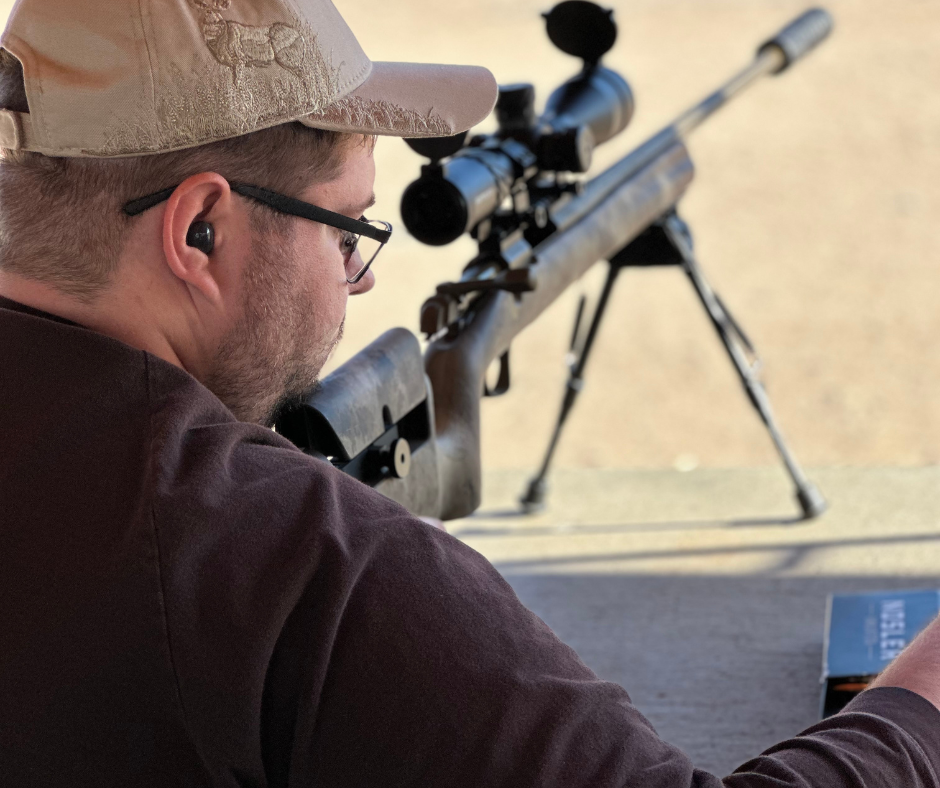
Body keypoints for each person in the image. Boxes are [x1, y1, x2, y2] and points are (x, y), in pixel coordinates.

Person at [0, 0, 937, 785]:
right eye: (347, 229)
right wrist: (921, 700)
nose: (362, 278)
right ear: (199, 230)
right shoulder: (289, 563)